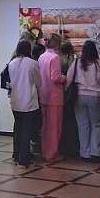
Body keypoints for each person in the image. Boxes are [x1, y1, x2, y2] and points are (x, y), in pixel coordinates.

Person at [67, 40, 100, 160]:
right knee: (97, 124)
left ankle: (85, 152)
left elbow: (69, 79)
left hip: (79, 96)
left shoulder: (76, 62)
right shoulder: (99, 64)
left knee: (82, 124)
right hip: (95, 97)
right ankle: (96, 151)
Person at [8, 39, 41, 167]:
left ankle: (16, 154)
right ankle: (24, 157)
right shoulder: (32, 63)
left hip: (15, 100)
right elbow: (39, 82)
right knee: (27, 129)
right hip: (29, 100)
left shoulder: (12, 63)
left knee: (18, 128)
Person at [39, 33, 66, 162]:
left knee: (45, 126)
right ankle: (52, 153)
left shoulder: (42, 56)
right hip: (54, 97)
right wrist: (64, 78)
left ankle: (45, 151)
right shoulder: (55, 57)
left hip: (43, 94)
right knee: (54, 128)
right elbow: (55, 78)